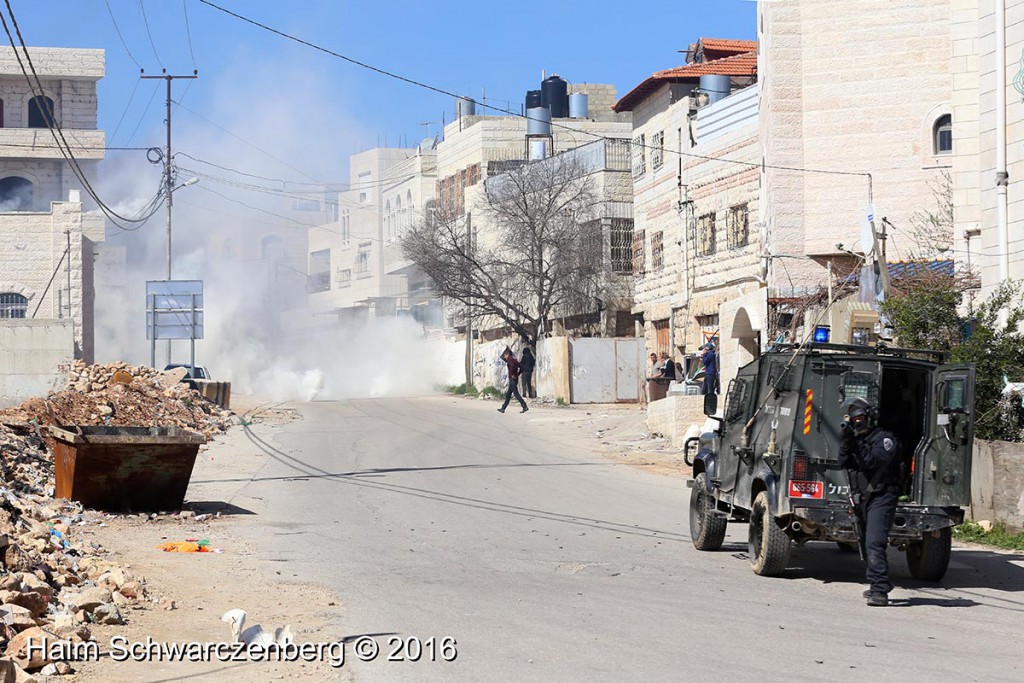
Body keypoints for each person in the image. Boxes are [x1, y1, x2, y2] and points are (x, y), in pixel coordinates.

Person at [838, 397, 901, 607]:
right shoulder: (858, 440)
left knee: (875, 542)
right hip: (864, 498)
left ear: (870, 418)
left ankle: (879, 591)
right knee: (866, 542)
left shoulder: (884, 440)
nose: (858, 423)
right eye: (854, 420)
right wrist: (847, 442)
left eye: (861, 419)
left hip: (882, 496)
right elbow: (842, 462)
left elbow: (872, 462)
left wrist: (855, 445)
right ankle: (881, 582)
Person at [498, 347, 528, 414]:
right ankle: (503, 408)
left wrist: (512, 374)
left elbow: (511, 366)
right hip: (514, 379)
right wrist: (517, 374)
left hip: (512, 380)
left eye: (505, 355)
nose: (504, 357)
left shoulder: (510, 360)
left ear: (507, 354)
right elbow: (521, 368)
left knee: (516, 394)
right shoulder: (514, 360)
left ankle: (524, 406)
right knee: (508, 395)